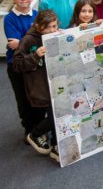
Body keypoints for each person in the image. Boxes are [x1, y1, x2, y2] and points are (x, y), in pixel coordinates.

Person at [13, 10, 60, 162]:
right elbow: (17, 65)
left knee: (58, 113)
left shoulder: (54, 34)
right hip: (40, 86)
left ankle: (56, 146)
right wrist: (35, 56)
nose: (53, 30)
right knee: (55, 116)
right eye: (49, 27)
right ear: (39, 26)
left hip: (55, 82)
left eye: (55, 26)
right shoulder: (28, 40)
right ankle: (35, 134)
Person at [3, 0, 38, 139]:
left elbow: (20, 43)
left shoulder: (37, 15)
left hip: (34, 63)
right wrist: (32, 41)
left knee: (36, 95)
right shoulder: (9, 19)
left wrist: (23, 42)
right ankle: (28, 129)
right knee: (22, 97)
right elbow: (15, 45)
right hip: (16, 64)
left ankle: (38, 127)